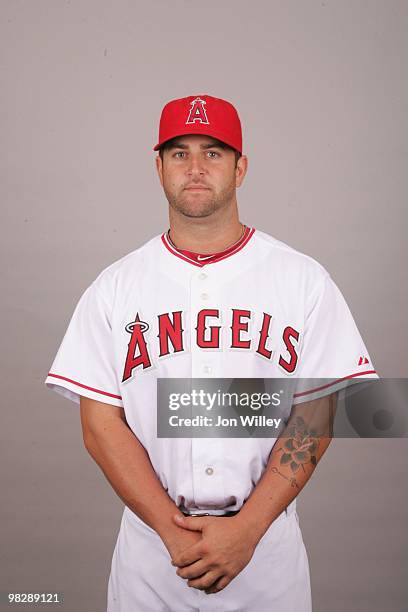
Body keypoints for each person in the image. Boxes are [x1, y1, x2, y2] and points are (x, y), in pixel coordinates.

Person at [44, 94, 378, 611]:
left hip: (265, 556)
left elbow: (315, 414)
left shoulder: (302, 280)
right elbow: (100, 426)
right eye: (179, 153)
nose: (196, 167)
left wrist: (248, 529)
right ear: (158, 168)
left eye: (214, 152)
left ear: (241, 168)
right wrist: (172, 534)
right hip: (152, 560)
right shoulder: (114, 288)